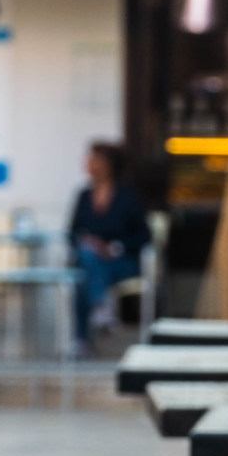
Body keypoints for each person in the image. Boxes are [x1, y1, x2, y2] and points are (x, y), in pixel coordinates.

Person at [68, 140, 148, 343]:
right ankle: (101, 308)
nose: (88, 163)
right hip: (91, 260)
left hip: (121, 262)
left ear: (107, 164)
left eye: (93, 159)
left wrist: (114, 248)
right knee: (87, 257)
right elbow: (72, 233)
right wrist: (90, 242)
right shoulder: (84, 196)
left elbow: (143, 235)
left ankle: (81, 339)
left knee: (86, 275)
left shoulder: (127, 196)